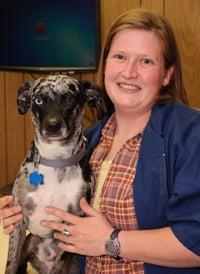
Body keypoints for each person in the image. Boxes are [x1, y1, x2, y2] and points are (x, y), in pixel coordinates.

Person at [1, 8, 200, 274]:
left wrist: (112, 241)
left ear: (166, 74)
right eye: (120, 57)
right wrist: (25, 212)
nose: (129, 72)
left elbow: (194, 243)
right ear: (105, 65)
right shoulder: (88, 141)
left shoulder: (190, 133)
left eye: (146, 62)